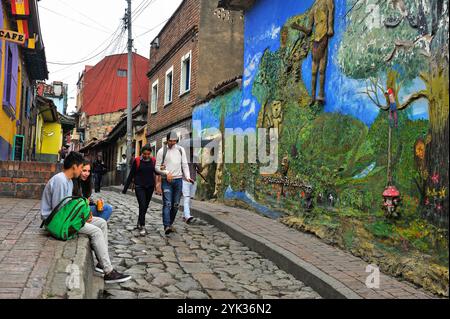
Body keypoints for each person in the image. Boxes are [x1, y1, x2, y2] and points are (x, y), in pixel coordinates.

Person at [40, 152, 131, 284]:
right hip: (57, 224)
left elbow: (68, 208)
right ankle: (109, 272)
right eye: (81, 167)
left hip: (66, 219)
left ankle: (101, 262)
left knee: (101, 223)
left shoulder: (69, 181)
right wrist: (79, 218)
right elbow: (58, 211)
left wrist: (83, 215)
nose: (82, 170)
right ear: (74, 166)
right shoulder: (60, 180)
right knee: (96, 231)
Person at [155, 131, 194, 235]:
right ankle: (166, 225)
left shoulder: (181, 150)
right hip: (166, 181)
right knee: (167, 203)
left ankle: (170, 224)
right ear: (167, 140)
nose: (173, 143)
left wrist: (188, 177)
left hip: (178, 181)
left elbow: (185, 165)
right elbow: (157, 167)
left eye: (174, 141)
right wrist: (166, 173)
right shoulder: (161, 151)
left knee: (176, 205)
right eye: (171, 141)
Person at [122, 145, 156, 236]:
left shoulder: (153, 161)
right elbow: (131, 174)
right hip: (139, 186)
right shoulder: (137, 161)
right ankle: (142, 226)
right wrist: (125, 189)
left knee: (145, 206)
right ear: (142, 153)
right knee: (142, 204)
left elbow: (156, 171)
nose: (146, 155)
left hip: (150, 186)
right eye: (144, 154)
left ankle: (139, 221)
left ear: (150, 153)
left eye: (148, 154)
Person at [182, 151, 202, 224]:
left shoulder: (195, 157)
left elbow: (200, 169)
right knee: (186, 198)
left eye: (192, 148)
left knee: (190, 199)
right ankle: (188, 216)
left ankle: (185, 215)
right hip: (185, 180)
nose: (191, 150)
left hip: (194, 181)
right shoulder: (183, 157)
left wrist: (197, 163)